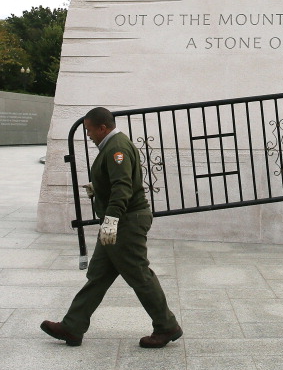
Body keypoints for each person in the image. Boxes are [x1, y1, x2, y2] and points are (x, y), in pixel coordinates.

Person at [41, 107, 182, 348]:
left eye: (89, 130)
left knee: (139, 275)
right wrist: (98, 188)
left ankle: (166, 326)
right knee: (98, 276)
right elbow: (115, 182)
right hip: (120, 221)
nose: (88, 135)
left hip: (126, 222)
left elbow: (123, 186)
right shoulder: (112, 144)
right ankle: (72, 327)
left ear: (102, 127)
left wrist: (112, 219)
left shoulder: (116, 147)